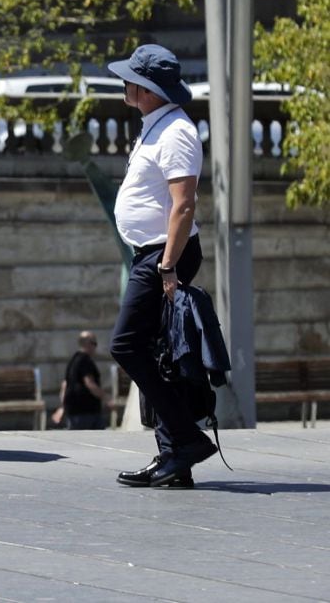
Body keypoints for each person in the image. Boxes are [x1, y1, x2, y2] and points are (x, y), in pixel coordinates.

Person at [107, 44, 215, 489]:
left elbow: (183, 204)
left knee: (126, 345)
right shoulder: (156, 126)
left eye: (130, 78)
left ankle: (187, 441)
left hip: (163, 255)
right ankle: (174, 458)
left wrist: (168, 267)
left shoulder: (176, 133)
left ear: (148, 88)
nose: (124, 84)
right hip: (152, 253)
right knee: (158, 355)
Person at [51, 331, 108, 430]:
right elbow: (90, 384)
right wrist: (107, 398)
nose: (95, 347)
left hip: (74, 412)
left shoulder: (73, 360)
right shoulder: (86, 361)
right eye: (94, 343)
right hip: (88, 412)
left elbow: (65, 385)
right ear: (87, 344)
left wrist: (63, 407)